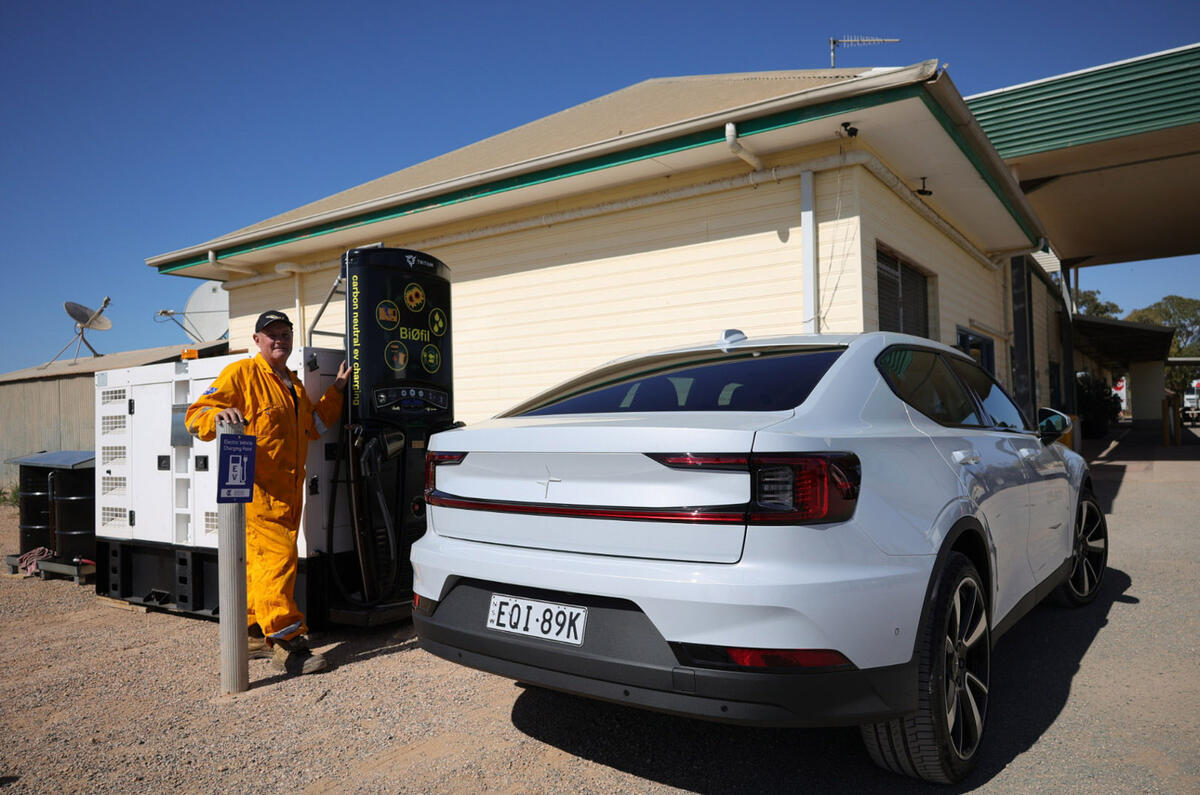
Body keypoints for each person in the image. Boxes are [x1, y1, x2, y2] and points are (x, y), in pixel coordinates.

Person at [186, 310, 350, 675]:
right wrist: (216, 416)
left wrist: (337, 390)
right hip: (260, 495)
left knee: (262, 568)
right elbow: (197, 413)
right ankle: (288, 642)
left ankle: (252, 636)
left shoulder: (291, 383)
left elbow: (314, 426)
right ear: (257, 340)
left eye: (285, 333)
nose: (280, 339)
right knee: (277, 566)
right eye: (271, 334)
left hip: (290, 496)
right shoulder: (242, 374)